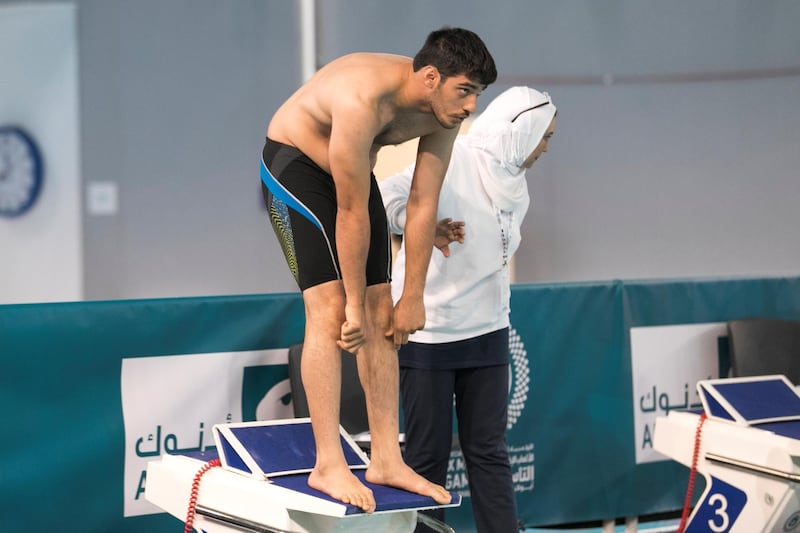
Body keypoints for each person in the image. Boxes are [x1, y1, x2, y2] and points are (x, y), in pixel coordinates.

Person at [259, 27, 497, 513]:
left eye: (477, 93)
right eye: (465, 91)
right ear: (431, 77)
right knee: (329, 312)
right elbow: (349, 213)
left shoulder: (443, 114)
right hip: (295, 165)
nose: (472, 106)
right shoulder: (361, 99)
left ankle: (386, 458)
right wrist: (351, 304)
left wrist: (412, 297)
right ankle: (328, 462)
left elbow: (423, 202)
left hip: (349, 171)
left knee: (382, 313)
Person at [380, 86, 557, 532]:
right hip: (431, 335)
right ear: (522, 132)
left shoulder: (514, 181)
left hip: (489, 332)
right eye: (545, 136)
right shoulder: (453, 159)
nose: (546, 148)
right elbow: (383, 200)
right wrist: (422, 224)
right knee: (426, 460)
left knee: (489, 453)